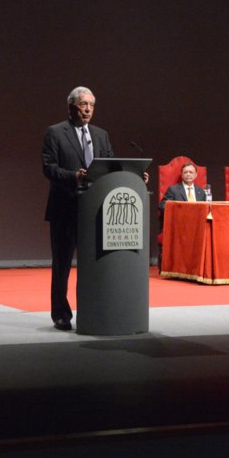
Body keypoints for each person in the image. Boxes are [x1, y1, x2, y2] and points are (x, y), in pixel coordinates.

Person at [41, 86, 147, 331]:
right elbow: (48, 167)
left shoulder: (101, 135)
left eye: (91, 105)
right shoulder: (55, 133)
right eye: (82, 105)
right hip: (65, 208)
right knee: (62, 265)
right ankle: (60, 314)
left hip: (96, 210)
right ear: (71, 107)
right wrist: (73, 176)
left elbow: (111, 165)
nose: (87, 109)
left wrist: (135, 175)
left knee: (94, 264)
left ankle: (93, 309)